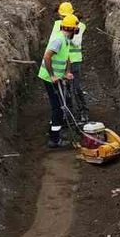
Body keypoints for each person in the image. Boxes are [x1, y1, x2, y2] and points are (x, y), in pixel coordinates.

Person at [38, 14, 80, 148]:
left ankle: (53, 131)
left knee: (60, 106)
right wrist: (52, 76)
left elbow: (67, 57)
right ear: (72, 29)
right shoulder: (58, 40)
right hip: (49, 78)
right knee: (58, 108)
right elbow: (47, 56)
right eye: (76, 29)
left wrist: (67, 73)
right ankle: (54, 140)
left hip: (56, 77)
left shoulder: (66, 39)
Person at [51, 1, 87, 99]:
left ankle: (82, 110)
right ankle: (69, 109)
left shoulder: (79, 25)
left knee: (76, 87)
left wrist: (67, 31)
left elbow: (76, 42)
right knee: (65, 87)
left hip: (74, 60)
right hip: (63, 60)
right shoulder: (57, 24)